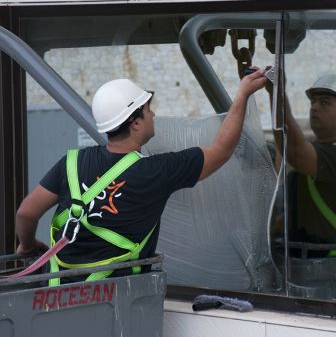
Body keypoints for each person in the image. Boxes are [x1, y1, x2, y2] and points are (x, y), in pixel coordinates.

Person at [15, 70, 267, 283]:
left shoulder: (71, 162)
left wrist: (27, 246)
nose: (154, 115)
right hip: (116, 299)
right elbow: (221, 151)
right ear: (135, 122)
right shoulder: (157, 171)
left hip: (55, 295)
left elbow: (26, 212)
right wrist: (243, 95)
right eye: (148, 109)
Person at [267, 72, 336, 258]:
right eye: (313, 102)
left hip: (335, 273)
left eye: (325, 102)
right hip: (308, 268)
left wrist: (276, 93)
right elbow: (287, 150)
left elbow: (294, 150)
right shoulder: (316, 154)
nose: (314, 108)